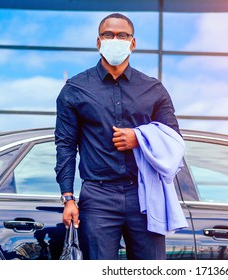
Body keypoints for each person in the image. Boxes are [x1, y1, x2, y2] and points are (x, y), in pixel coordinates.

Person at [54, 13, 181, 260]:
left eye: (122, 35)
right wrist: (68, 198)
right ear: (98, 41)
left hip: (145, 194)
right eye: (108, 34)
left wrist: (140, 137)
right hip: (98, 197)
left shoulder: (153, 89)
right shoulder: (76, 89)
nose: (115, 39)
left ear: (132, 43)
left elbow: (174, 139)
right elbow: (65, 145)